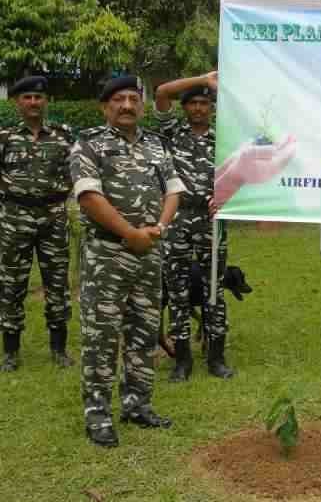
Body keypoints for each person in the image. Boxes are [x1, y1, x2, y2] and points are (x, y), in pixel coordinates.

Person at [70, 76, 186, 447]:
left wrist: (159, 227)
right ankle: (98, 413)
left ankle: (137, 403)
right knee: (102, 334)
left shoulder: (156, 144)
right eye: (118, 99)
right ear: (105, 107)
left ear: (141, 105)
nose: (126, 106)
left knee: (143, 329)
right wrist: (129, 233)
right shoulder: (89, 144)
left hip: (149, 252)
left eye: (133, 99)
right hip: (107, 253)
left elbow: (173, 189)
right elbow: (88, 196)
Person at [153, 71, 233, 380]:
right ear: (185, 108)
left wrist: (227, 197)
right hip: (178, 218)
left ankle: (216, 357)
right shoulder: (172, 133)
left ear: (212, 108)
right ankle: (182, 359)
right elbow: (161, 91)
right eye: (193, 103)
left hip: (212, 219)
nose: (199, 108)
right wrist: (204, 78)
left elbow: (239, 172)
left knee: (215, 288)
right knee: (177, 289)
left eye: (205, 103)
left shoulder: (225, 136)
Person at [0, 76, 74, 371]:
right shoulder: (5, 136)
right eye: (27, 97)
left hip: (53, 218)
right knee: (11, 283)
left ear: (46, 102)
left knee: (57, 283)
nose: (33, 102)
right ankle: (10, 352)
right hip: (14, 218)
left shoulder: (63, 135)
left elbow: (78, 169)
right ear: (17, 102)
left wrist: (60, 194)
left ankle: (59, 349)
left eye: (38, 97)